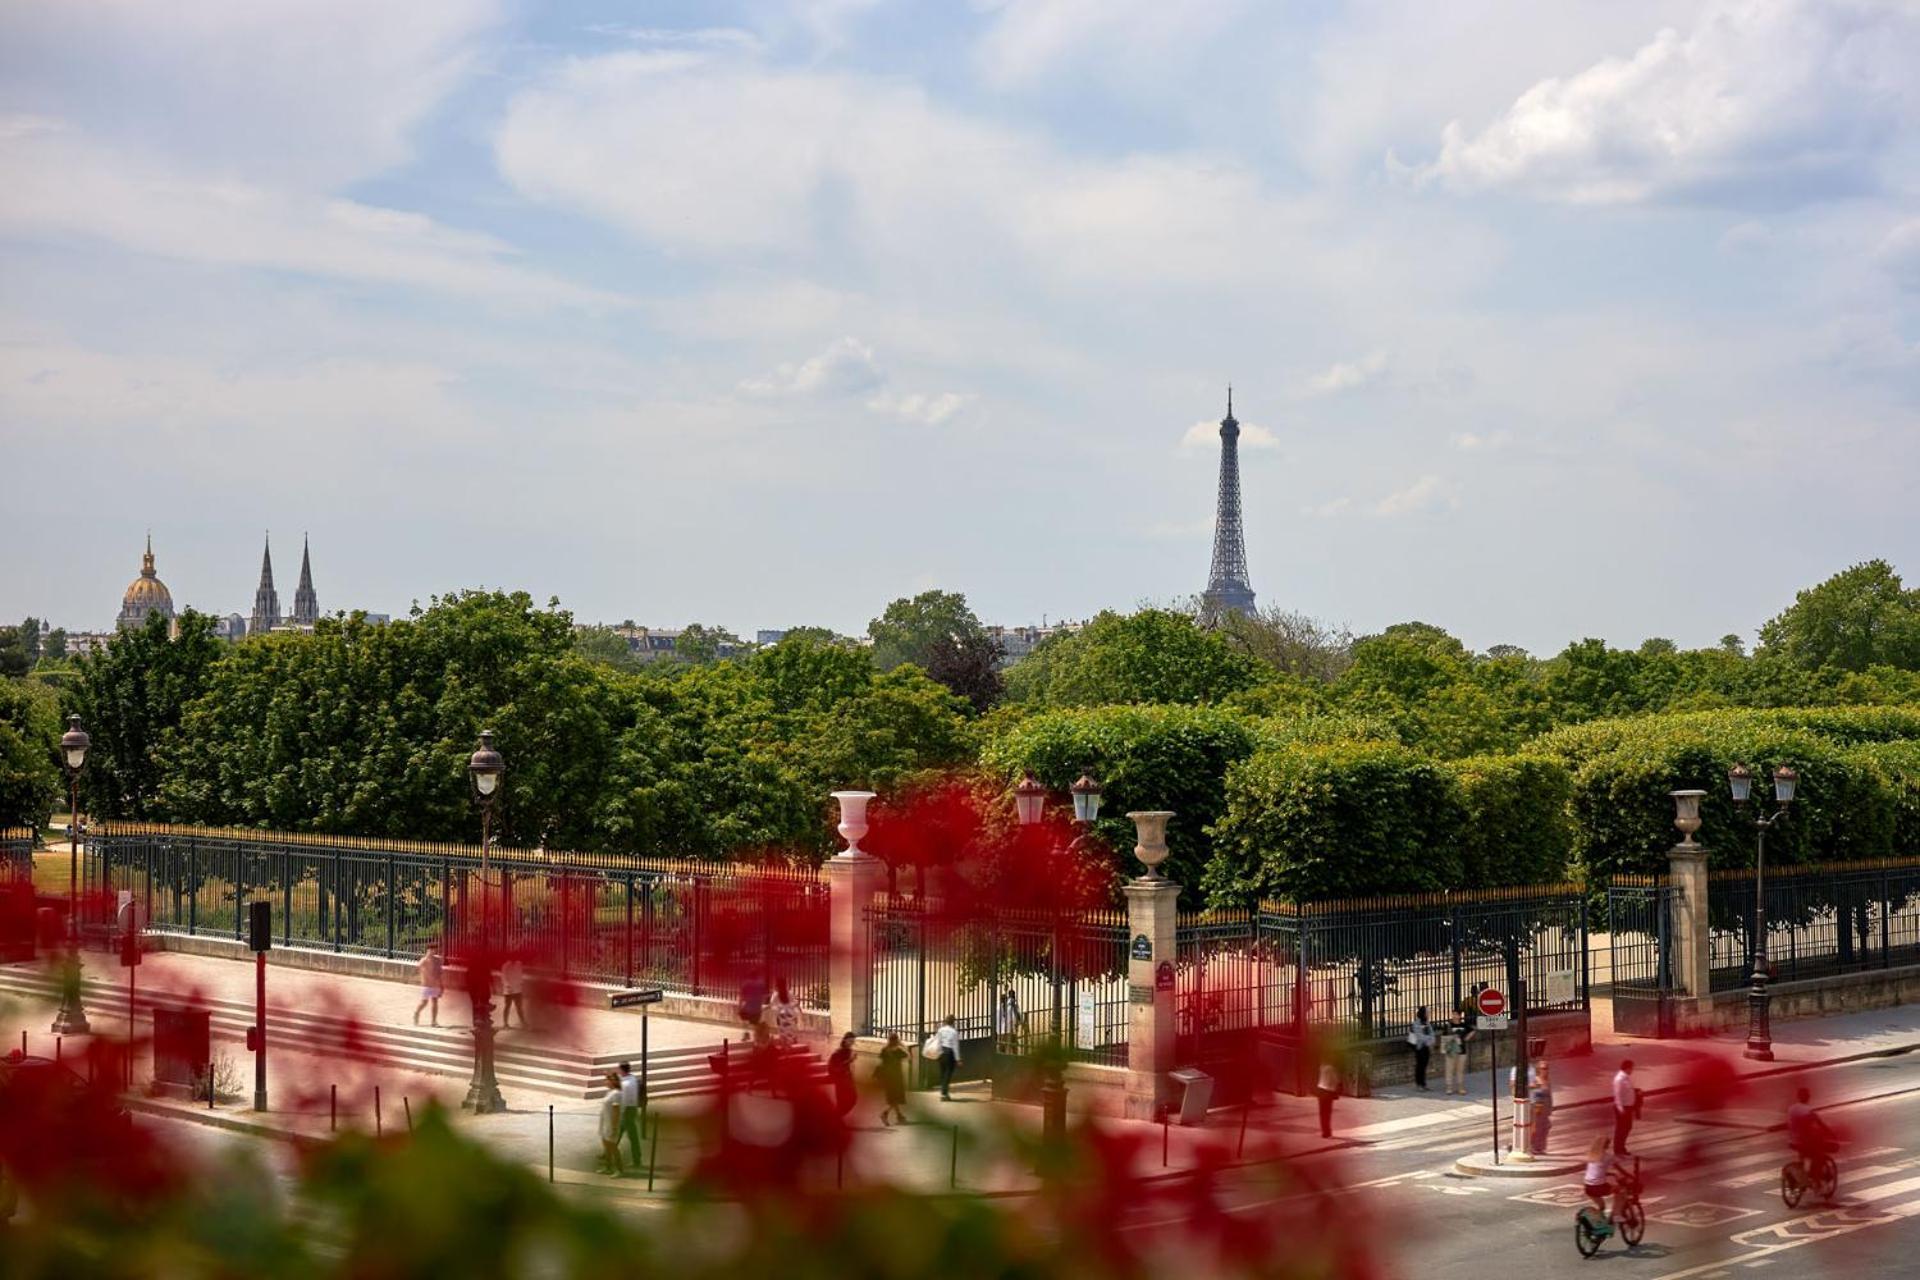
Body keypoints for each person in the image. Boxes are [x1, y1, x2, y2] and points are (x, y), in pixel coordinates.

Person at [1787, 1086, 1835, 1177]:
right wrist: (1830, 1133)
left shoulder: (1791, 1108)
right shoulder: (1807, 1110)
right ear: (1808, 1097)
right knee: (1818, 1155)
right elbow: (1819, 1123)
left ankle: (1804, 1171)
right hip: (1803, 1141)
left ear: (1798, 1096)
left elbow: (1790, 1124)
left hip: (1792, 1141)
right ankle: (1814, 1179)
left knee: (1805, 1155)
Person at [1581, 1135, 1623, 1224]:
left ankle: (1598, 1224)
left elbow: (1598, 1170)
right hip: (1599, 1187)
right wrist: (1626, 1176)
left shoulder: (1591, 1155)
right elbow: (1619, 1169)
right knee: (1621, 1191)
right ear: (1605, 1145)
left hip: (1588, 1187)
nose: (1609, 1146)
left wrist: (1611, 1173)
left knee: (1602, 1206)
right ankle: (1616, 1215)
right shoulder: (1608, 1156)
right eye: (1608, 1144)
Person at [876, 1032, 908, 1126]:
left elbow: (881, 1061)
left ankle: (899, 1115)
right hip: (896, 1077)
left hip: (887, 1077)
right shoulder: (898, 1051)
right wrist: (902, 1045)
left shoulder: (884, 1050)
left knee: (893, 1097)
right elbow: (909, 1056)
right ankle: (884, 1113)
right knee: (895, 1098)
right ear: (896, 1041)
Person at [617, 1060, 645, 1167]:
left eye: (619, 1069)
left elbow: (624, 1100)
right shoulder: (632, 1078)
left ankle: (636, 1160)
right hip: (632, 1110)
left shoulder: (626, 1084)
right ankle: (608, 1153)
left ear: (622, 1070)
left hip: (627, 1111)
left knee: (629, 1136)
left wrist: (620, 1112)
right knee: (622, 1134)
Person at [597, 1070, 624, 1176]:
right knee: (606, 1146)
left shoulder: (617, 1094)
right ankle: (608, 1167)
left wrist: (614, 1127)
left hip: (611, 1124)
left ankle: (619, 1169)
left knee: (613, 1147)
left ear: (612, 1082)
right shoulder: (610, 1092)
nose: (605, 1082)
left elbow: (616, 1111)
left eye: (607, 1080)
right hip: (605, 1122)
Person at [828, 1032, 858, 1118]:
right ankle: (835, 1118)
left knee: (853, 1098)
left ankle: (836, 1117)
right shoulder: (838, 1052)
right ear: (845, 1040)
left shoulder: (849, 1051)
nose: (851, 1043)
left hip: (848, 1079)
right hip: (840, 1080)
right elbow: (836, 1066)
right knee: (842, 1101)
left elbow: (849, 1066)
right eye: (850, 1041)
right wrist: (850, 1060)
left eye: (853, 1041)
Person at [1612, 1059, 1638, 1156]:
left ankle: (1621, 1147)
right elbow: (1617, 1095)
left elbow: (1628, 1090)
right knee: (1621, 1128)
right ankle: (1618, 1149)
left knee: (1627, 1127)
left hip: (1628, 1107)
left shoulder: (1626, 1078)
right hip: (1622, 1108)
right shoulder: (1619, 1079)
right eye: (1632, 1068)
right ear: (1627, 1068)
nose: (1632, 1070)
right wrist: (1620, 1109)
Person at [413, 944, 443, 1027]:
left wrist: (441, 985)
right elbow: (416, 969)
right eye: (431, 949)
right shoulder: (424, 960)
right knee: (424, 1002)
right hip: (426, 985)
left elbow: (440, 974)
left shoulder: (438, 960)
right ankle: (416, 1013)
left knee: (435, 1002)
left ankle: (433, 1021)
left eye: (435, 949)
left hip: (435, 985)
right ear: (428, 950)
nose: (434, 951)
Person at [1407, 1007, 1436, 1091]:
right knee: (1419, 1066)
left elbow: (1432, 1034)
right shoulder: (1416, 1023)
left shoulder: (1427, 1023)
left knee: (1424, 1066)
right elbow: (1419, 1036)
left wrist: (1430, 1040)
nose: (1429, 1014)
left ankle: (1423, 1083)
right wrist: (1429, 1039)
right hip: (1419, 1047)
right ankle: (1418, 1084)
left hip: (1426, 1047)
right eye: (1427, 1012)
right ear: (1423, 1013)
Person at [1441, 1017, 1471, 1095]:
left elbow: (1472, 1030)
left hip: (1462, 1050)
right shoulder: (1448, 1026)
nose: (1454, 1016)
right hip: (1451, 1051)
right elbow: (1444, 1037)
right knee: (1449, 1069)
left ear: (1460, 1016)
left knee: (1460, 1070)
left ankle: (1460, 1087)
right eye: (1453, 1014)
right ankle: (1449, 1087)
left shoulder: (1464, 1025)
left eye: (1456, 1014)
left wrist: (1467, 1038)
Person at [1529, 1058, 1554, 1155]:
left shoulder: (1547, 1081)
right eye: (1543, 1068)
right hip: (1537, 1108)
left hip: (1546, 1108)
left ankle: (1540, 1147)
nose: (1545, 1070)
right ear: (1538, 1069)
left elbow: (1550, 1095)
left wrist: (1551, 1108)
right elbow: (1532, 1093)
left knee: (1545, 1127)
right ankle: (1532, 1146)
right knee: (1536, 1128)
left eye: (1547, 1068)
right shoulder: (1536, 1080)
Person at [934, 1015, 962, 1101]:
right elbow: (955, 1046)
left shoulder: (941, 1030)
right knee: (948, 1074)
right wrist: (958, 1059)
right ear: (953, 1022)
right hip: (950, 1053)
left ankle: (944, 1092)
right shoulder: (954, 1032)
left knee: (943, 1073)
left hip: (942, 1051)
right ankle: (944, 1093)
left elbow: (938, 1042)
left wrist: (937, 1053)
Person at [1315, 1059, 1340, 1139]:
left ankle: (1324, 1132)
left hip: (1320, 1090)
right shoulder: (1331, 1068)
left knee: (1322, 1113)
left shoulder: (1321, 1067)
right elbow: (1336, 1080)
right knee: (1327, 1113)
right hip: (1328, 1092)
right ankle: (1327, 1132)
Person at [738, 976, 767, 1042]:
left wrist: (739, 1007)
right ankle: (756, 1037)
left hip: (748, 1008)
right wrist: (761, 1004)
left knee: (744, 1018)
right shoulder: (761, 984)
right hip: (757, 1008)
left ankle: (746, 1033)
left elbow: (741, 997)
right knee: (755, 1023)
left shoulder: (746, 984)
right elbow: (764, 996)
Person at [770, 980, 799, 1045]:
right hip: (786, 1016)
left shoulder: (778, 994)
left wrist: (780, 1008)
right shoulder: (785, 994)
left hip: (784, 1016)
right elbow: (794, 1003)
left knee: (784, 1031)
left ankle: (786, 1041)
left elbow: (773, 1005)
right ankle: (789, 1041)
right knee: (787, 1031)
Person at [499, 957, 526, 1029]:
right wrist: (508, 986)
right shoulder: (505, 966)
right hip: (509, 990)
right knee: (507, 1007)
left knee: (519, 1007)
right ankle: (505, 1023)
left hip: (517, 989)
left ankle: (523, 1022)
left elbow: (520, 974)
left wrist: (521, 983)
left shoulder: (519, 964)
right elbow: (503, 977)